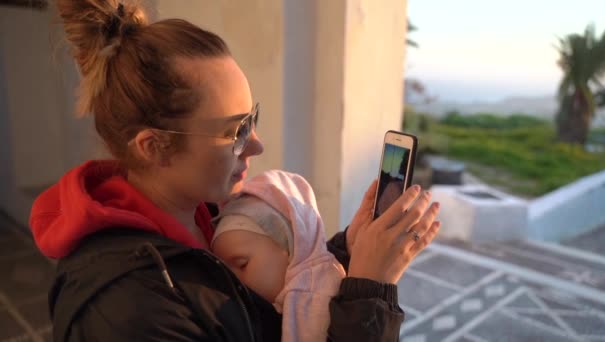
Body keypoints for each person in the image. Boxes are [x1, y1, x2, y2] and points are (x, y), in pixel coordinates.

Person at [29, 1, 442, 341]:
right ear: (155, 147)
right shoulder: (129, 311)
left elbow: (267, 308)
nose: (258, 144)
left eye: (253, 118)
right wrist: (370, 292)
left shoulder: (203, 213)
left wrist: (349, 254)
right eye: (237, 131)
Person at [211, 170, 346, 342]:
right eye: (224, 270)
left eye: (242, 264)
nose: (231, 281)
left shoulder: (314, 297)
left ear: (290, 249)